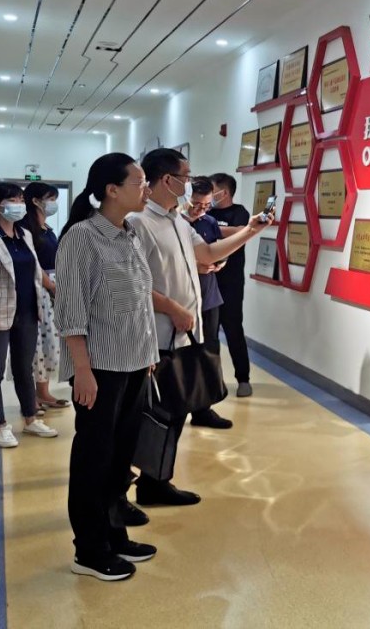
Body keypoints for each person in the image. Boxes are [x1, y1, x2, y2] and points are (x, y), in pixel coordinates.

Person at [129, 149, 272, 508]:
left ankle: (156, 482)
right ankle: (136, 487)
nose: (190, 183)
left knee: (175, 411)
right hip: (154, 335)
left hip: (183, 334)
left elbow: (207, 254)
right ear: (167, 180)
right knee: (151, 415)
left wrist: (250, 231)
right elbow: (130, 284)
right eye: (186, 176)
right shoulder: (138, 223)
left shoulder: (178, 222)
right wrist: (172, 307)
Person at [55, 153, 159, 582]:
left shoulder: (130, 233)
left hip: (134, 364)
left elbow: (138, 302)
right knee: (94, 459)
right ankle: (89, 549)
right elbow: (71, 311)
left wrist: (148, 355)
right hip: (100, 369)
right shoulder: (81, 238)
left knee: (120, 458)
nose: (146, 189)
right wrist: (82, 370)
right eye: (140, 182)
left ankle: (115, 535)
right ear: (112, 190)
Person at [0, 182, 59, 448]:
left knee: (24, 368)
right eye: (12, 200)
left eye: (19, 199)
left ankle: (31, 419)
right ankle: (1, 425)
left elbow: (35, 269)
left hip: (27, 311)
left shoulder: (24, 234)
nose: (18, 204)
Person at [183, 177, 231, 428]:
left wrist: (220, 262)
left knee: (209, 353)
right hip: (182, 301)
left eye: (206, 205)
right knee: (183, 356)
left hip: (209, 299)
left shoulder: (210, 222)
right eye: (196, 204)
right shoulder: (174, 223)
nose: (200, 210)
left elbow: (217, 250)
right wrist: (195, 266)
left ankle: (203, 409)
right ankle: (178, 407)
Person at [19, 182, 69, 410]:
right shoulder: (25, 228)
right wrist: (50, 285)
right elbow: (31, 262)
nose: (54, 203)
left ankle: (44, 393)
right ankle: (32, 398)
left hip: (52, 288)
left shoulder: (47, 228)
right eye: (51, 198)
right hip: (38, 289)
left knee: (49, 344)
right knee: (36, 345)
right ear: (35, 201)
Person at [208, 173, 253, 397]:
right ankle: (211, 382)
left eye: (212, 189)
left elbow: (244, 232)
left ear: (224, 192)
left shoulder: (239, 212)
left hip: (232, 284)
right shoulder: (206, 211)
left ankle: (243, 379)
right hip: (207, 282)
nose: (209, 194)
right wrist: (229, 231)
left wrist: (211, 227)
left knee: (234, 330)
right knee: (209, 335)